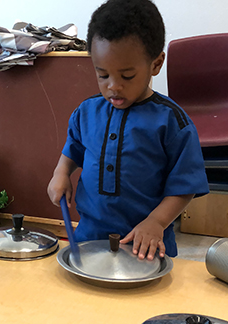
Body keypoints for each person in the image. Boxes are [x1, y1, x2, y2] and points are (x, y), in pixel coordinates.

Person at [48, 0, 209, 261]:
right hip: (89, 238)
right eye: (102, 75)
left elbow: (184, 186)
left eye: (127, 76)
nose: (113, 86)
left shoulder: (172, 122)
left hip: (144, 243)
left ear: (156, 64)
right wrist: (61, 173)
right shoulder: (87, 112)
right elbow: (73, 148)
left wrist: (156, 222)